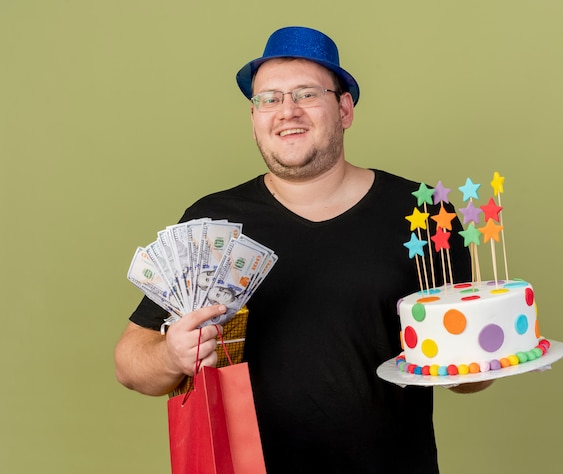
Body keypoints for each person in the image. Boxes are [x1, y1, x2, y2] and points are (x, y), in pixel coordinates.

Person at [115, 26, 493, 473]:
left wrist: (480, 350)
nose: (286, 111)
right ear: (254, 117)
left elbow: (469, 382)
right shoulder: (212, 223)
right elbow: (130, 365)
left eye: (306, 94)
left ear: (345, 108)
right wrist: (172, 355)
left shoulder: (425, 213)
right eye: (268, 99)